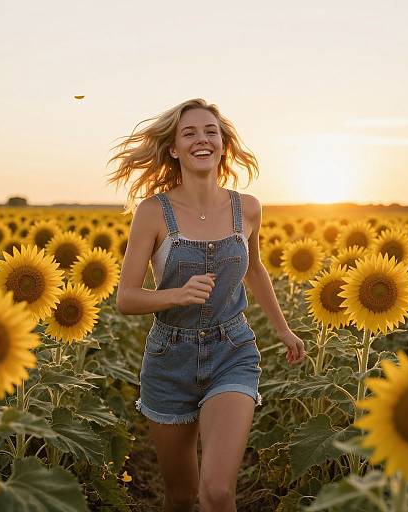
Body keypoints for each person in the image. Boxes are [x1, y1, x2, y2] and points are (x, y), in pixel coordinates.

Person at [107, 98, 305, 512]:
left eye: (211, 131)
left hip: (231, 352)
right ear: (174, 149)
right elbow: (126, 298)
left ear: (223, 144)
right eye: (190, 133)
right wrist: (176, 294)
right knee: (180, 497)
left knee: (216, 492)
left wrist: (284, 329)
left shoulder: (247, 208)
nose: (202, 139)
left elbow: (255, 271)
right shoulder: (152, 213)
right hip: (168, 359)